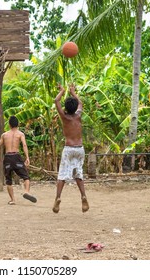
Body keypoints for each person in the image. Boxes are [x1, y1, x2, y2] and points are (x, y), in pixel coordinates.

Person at [53, 83, 89, 213]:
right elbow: (80, 103)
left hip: (68, 148)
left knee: (62, 175)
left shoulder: (65, 117)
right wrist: (72, 92)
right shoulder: (78, 116)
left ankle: (58, 198)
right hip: (80, 149)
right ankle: (83, 196)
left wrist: (62, 91)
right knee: (78, 173)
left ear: (66, 108)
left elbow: (56, 101)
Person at [0, 116, 37, 205]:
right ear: (17, 124)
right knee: (26, 177)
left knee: (8, 180)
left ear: (9, 125)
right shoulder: (20, 134)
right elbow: (25, 145)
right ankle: (26, 191)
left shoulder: (4, 135)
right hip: (16, 157)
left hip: (7, 158)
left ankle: (13, 200)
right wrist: (27, 157)